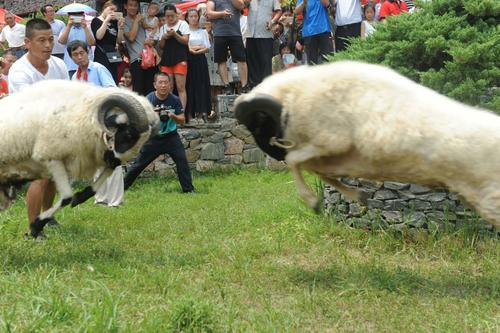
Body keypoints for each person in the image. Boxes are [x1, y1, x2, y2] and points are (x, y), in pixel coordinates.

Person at [8, 18, 69, 231]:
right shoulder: (19, 71)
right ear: (27, 42)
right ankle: (34, 227)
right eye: (41, 40)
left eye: (51, 40)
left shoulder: (59, 65)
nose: (48, 45)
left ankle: (47, 215)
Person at [124, 72, 195, 193]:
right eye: (160, 82)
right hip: (153, 138)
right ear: (155, 85)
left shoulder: (175, 100)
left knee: (182, 161)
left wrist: (172, 116)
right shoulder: (148, 99)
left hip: (171, 138)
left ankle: (188, 190)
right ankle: (121, 188)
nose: (163, 85)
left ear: (169, 85)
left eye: (166, 82)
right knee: (137, 165)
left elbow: (182, 120)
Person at [206, 0, 250, 94]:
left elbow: (241, 6)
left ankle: (244, 86)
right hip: (219, 34)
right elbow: (209, 14)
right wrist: (222, 14)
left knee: (241, 60)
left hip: (235, 33)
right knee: (221, 60)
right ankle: (226, 86)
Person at [158, 4, 190, 108]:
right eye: (167, 16)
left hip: (180, 58)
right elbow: (161, 46)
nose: (170, 18)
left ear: (176, 14)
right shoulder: (163, 27)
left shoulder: (183, 24)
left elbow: (186, 41)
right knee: (168, 87)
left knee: (181, 87)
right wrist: (163, 37)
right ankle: (169, 112)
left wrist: (175, 34)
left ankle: (181, 113)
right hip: (167, 59)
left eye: (172, 15)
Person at [243, 0, 281, 87]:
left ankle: (266, 87)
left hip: (265, 35)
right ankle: (254, 86)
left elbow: (279, 12)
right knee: (252, 62)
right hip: (250, 35)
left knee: (265, 62)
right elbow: (242, 6)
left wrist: (272, 21)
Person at [123, 0, 156, 95]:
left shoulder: (142, 19)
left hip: (149, 58)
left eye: (135, 5)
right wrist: (136, 21)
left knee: (151, 90)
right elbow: (131, 38)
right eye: (131, 5)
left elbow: (151, 29)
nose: (133, 8)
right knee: (139, 91)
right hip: (136, 60)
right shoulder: (124, 21)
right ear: (126, 6)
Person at [185, 8, 212, 122]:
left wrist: (196, 50)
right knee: (189, 86)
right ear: (187, 18)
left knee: (202, 85)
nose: (193, 18)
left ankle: (202, 112)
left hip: (200, 60)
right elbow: (185, 46)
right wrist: (195, 48)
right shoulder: (185, 32)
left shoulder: (203, 32)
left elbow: (207, 48)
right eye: (191, 16)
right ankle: (189, 113)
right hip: (189, 60)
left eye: (195, 16)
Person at [91, 0, 125, 84]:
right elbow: (99, 36)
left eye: (115, 10)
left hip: (113, 53)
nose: (113, 12)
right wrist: (106, 20)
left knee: (114, 77)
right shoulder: (96, 20)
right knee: (102, 78)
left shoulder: (114, 22)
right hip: (102, 54)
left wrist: (120, 28)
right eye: (111, 9)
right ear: (104, 8)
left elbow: (119, 40)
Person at [58, 11, 96, 78]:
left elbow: (92, 43)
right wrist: (69, 26)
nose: (77, 18)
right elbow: (61, 41)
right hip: (70, 64)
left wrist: (85, 27)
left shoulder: (87, 29)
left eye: (79, 15)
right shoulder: (66, 28)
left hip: (87, 64)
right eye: (74, 16)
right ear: (69, 17)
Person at [294, 0, 332, 65]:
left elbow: (327, 4)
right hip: (309, 32)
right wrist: (304, 3)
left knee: (328, 59)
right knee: (312, 62)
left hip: (324, 29)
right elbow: (296, 12)